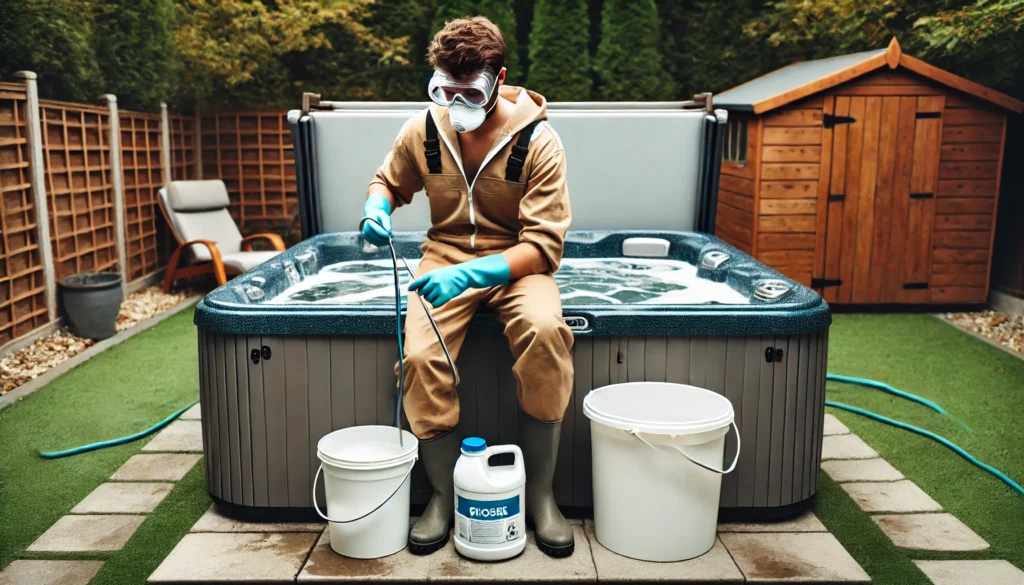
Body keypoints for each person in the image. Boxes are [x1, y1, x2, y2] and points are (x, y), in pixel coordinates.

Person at [361, 16, 575, 557]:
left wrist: (472, 274)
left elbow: (544, 247)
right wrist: (376, 207)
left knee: (546, 331)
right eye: (444, 89)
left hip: (518, 264)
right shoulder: (424, 131)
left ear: (498, 78)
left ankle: (543, 497)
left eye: (470, 91)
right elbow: (388, 181)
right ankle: (440, 495)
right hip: (445, 253)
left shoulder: (540, 141)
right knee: (419, 357)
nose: (455, 102)